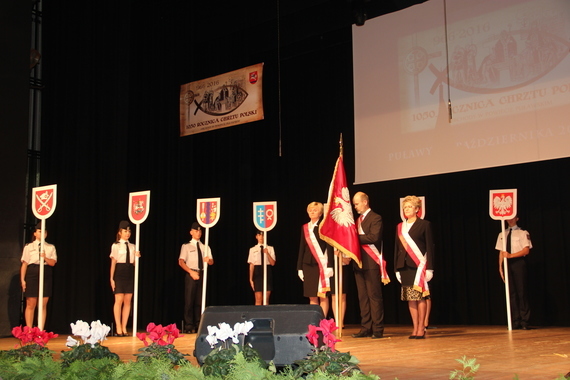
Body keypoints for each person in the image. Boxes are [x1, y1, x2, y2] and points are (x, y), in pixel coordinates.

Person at [394, 195, 434, 339]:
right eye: (405, 207)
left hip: (418, 266)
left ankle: (421, 327)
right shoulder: (400, 227)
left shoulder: (424, 224)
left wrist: (430, 268)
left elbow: (430, 247)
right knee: (410, 298)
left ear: (417, 209)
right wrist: (396, 268)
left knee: (420, 297)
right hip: (404, 266)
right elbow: (396, 248)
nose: (407, 209)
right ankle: (415, 327)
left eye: (410, 206)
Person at [351, 192, 386, 339]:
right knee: (362, 297)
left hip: (371, 262)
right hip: (359, 262)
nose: (355, 206)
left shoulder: (376, 218)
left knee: (374, 296)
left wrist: (353, 237)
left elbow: (374, 237)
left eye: (357, 203)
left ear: (365, 202)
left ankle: (377, 328)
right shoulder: (357, 220)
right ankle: (366, 327)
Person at [297, 201, 334, 316]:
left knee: (323, 296)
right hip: (308, 264)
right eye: (310, 210)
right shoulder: (305, 228)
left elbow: (330, 247)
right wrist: (299, 268)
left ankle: (323, 322)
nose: (312, 212)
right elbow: (301, 248)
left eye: (315, 210)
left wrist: (330, 266)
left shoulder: (324, 226)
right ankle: (315, 321)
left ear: (320, 213)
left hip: (321, 265)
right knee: (312, 296)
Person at [496, 216, 532, 330]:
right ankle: (515, 320)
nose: (510, 220)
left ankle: (525, 320)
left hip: (518, 262)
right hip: (507, 263)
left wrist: (511, 255)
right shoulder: (502, 234)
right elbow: (501, 252)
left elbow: (526, 250)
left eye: (512, 218)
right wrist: (500, 267)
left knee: (521, 292)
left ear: (517, 218)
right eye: (508, 218)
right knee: (511, 293)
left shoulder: (522, 233)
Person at [20, 223, 57, 328]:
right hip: (32, 273)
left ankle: (40, 330)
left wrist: (45, 257)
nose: (42, 233)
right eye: (40, 231)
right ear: (35, 233)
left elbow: (53, 263)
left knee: (43, 304)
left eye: (44, 231)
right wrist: (23, 280)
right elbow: (24, 264)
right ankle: (29, 330)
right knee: (31, 303)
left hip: (46, 273)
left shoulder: (50, 247)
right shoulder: (29, 247)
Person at [179, 222, 214, 333]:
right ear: (191, 232)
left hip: (202, 273)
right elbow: (181, 261)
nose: (198, 233)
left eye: (199, 231)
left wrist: (208, 260)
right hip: (191, 273)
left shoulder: (205, 246)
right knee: (189, 301)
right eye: (195, 231)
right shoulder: (186, 246)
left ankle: (199, 324)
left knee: (199, 301)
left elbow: (212, 262)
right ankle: (189, 326)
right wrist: (191, 272)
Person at [109, 220, 140, 337]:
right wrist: (111, 278)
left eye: (129, 231)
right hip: (120, 273)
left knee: (128, 301)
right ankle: (118, 327)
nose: (127, 233)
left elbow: (134, 264)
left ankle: (124, 326)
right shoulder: (115, 246)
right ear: (120, 232)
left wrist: (137, 258)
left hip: (129, 273)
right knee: (119, 300)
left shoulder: (133, 246)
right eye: (125, 231)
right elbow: (113, 263)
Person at [247, 230, 276, 305]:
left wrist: (267, 253)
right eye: (259, 235)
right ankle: (257, 315)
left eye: (263, 235)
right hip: (257, 272)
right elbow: (251, 264)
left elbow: (272, 263)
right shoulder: (252, 249)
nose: (261, 237)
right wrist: (250, 279)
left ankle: (266, 315)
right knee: (258, 298)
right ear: (256, 237)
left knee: (266, 299)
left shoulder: (270, 248)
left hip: (267, 270)